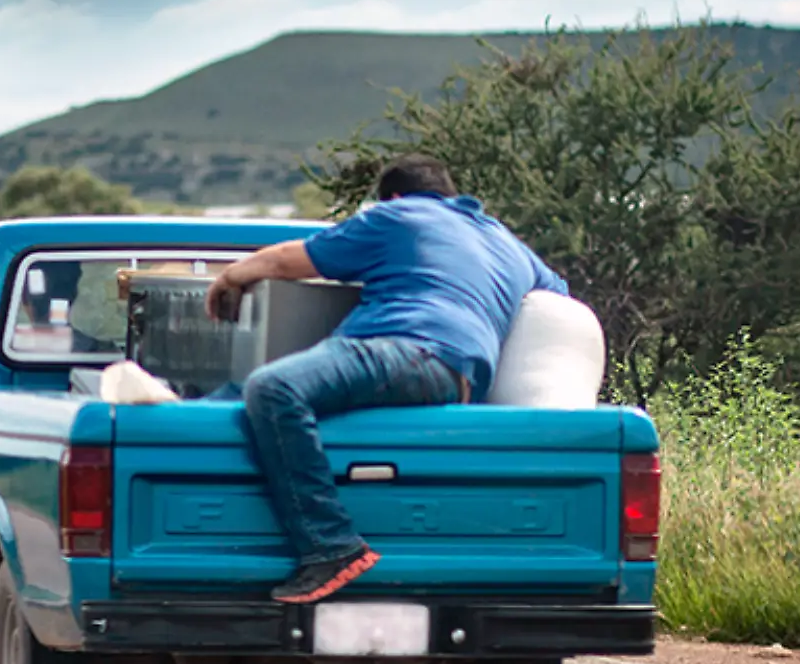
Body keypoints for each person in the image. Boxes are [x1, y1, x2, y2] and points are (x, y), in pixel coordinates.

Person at [204, 154, 568, 604]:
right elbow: (559, 301)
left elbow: (284, 263)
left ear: (392, 197)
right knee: (235, 395)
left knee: (272, 387)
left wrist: (231, 275)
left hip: (407, 348)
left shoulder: (397, 215)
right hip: (461, 376)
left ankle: (329, 547)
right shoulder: (506, 242)